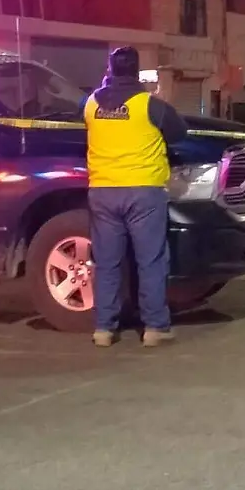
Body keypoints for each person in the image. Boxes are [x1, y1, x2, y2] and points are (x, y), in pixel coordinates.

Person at [84, 47, 188, 348]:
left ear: (109, 69)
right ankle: (155, 327)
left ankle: (104, 329)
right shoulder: (150, 105)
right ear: (136, 71)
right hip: (143, 192)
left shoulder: (90, 104)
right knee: (151, 261)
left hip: (103, 191)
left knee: (107, 262)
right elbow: (180, 133)